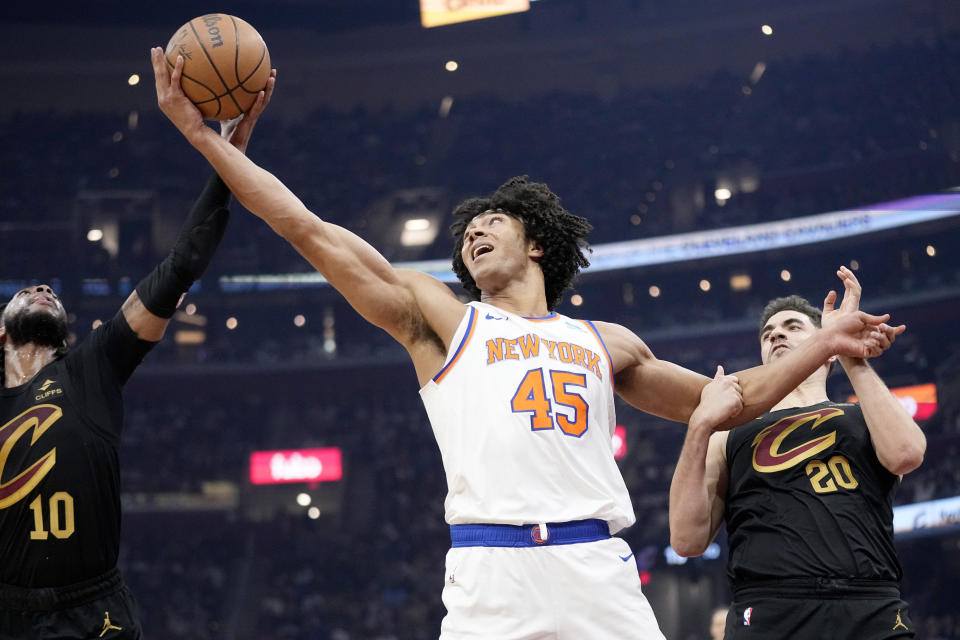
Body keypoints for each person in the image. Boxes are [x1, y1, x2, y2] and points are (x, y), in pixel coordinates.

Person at [152, 49, 900, 639]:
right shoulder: (442, 319)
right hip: (490, 569)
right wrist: (205, 143)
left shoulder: (604, 341)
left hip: (595, 567)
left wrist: (827, 341)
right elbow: (307, 229)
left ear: (536, 243)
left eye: (490, 222)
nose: (472, 230)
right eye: (465, 231)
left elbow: (729, 397)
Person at [0, 101, 268, 639]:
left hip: (92, 613)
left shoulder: (92, 367)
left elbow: (182, 265)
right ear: (1, 332)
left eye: (51, 292)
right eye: (27, 291)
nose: (42, 289)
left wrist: (225, 153)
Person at [669, 268, 925, 639]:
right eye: (768, 333)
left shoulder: (863, 414)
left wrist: (849, 352)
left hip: (868, 606)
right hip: (769, 611)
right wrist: (698, 427)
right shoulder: (727, 433)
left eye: (792, 326)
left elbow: (907, 454)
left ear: (826, 351)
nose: (776, 334)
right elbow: (686, 540)